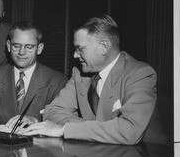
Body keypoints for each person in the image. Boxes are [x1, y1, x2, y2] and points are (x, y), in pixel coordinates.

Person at [23, 14, 166, 145]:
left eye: (80, 49)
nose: (74, 55)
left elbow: (129, 131)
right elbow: (52, 111)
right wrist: (102, 130)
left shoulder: (140, 74)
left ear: (103, 47)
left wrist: (64, 129)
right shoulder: (79, 74)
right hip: (96, 153)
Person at [0, 21, 68, 128]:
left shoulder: (57, 81)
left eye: (29, 47)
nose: (21, 52)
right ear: (9, 46)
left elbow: (66, 118)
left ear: (39, 49)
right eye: (16, 46)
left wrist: (36, 121)